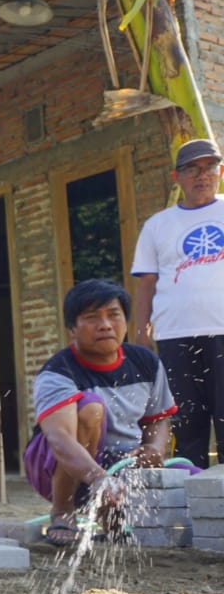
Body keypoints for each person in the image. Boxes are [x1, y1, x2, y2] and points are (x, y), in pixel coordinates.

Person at [27, 279, 179, 546]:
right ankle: (63, 512)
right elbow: (60, 440)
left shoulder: (146, 362)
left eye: (113, 315)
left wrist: (154, 449)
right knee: (91, 408)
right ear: (71, 328)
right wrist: (99, 478)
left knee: (191, 483)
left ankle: (113, 523)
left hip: (121, 461)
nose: (106, 325)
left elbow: (158, 419)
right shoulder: (58, 372)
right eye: (91, 317)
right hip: (59, 463)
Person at [131, 138, 224, 468]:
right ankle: (192, 510)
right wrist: (141, 334)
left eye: (209, 167)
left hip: (222, 332)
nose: (202, 175)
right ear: (177, 177)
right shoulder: (158, 225)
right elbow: (146, 284)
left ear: (220, 171)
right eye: (192, 169)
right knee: (187, 427)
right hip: (175, 337)